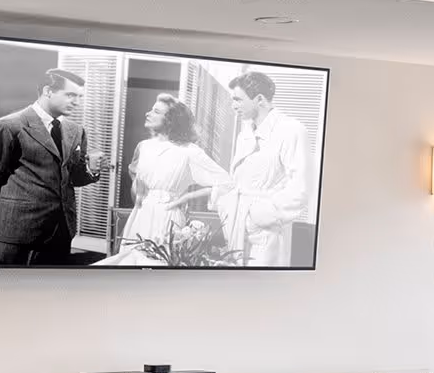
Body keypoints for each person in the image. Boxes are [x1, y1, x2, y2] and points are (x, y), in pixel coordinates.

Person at [0, 68, 113, 266]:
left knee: (50, 292)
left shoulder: (75, 130)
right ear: (48, 91)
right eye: (71, 95)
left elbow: (71, 177)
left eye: (80, 97)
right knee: (8, 292)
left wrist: (91, 169)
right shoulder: (8, 127)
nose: (77, 102)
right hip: (18, 232)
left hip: (62, 231)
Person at [100, 94, 233, 267]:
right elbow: (137, 194)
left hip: (169, 216)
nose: (148, 113)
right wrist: (137, 188)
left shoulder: (189, 152)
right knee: (131, 266)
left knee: (159, 266)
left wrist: (186, 198)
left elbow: (227, 183)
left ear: (171, 120)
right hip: (141, 215)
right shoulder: (144, 146)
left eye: (156, 111)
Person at [220, 70, 310, 267]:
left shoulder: (291, 130)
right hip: (238, 227)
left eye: (238, 100)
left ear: (259, 99)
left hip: (267, 232)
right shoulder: (245, 134)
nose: (233, 106)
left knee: (261, 290)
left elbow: (300, 190)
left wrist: (258, 217)